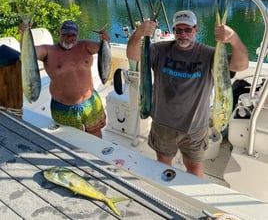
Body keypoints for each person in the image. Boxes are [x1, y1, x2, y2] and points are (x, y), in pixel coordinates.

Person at [126, 10, 249, 177]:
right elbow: (132, 54)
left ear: (196, 30)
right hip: (163, 125)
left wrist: (233, 38)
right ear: (174, 31)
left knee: (194, 169)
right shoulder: (159, 50)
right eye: (178, 30)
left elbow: (241, 66)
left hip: (195, 128)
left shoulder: (208, 54)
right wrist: (140, 32)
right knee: (162, 166)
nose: (183, 34)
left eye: (188, 30)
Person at [19, 20, 110, 138]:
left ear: (77, 35)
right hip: (63, 108)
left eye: (73, 35)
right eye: (65, 35)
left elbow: (104, 49)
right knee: (71, 139)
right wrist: (24, 33)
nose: (69, 38)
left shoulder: (85, 46)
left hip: (91, 103)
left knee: (95, 134)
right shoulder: (48, 51)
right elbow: (28, 52)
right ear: (58, 33)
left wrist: (106, 39)